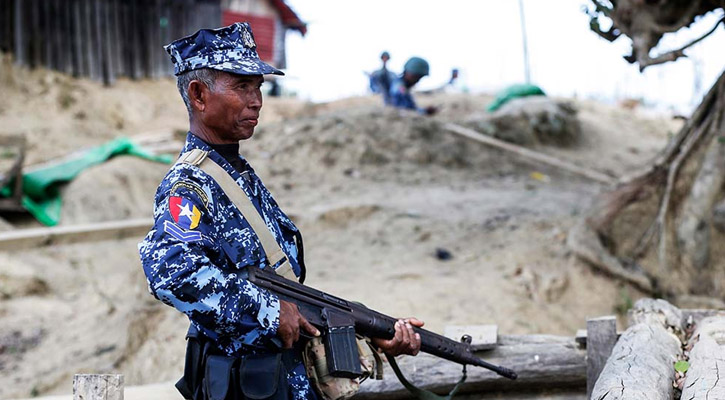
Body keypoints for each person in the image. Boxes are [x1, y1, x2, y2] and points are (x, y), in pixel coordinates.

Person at [138, 22, 423, 400]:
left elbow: (292, 299)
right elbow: (171, 271)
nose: (256, 100)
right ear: (199, 94)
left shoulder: (235, 174)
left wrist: (374, 337)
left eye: (258, 87)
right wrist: (267, 312)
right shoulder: (190, 184)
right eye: (241, 86)